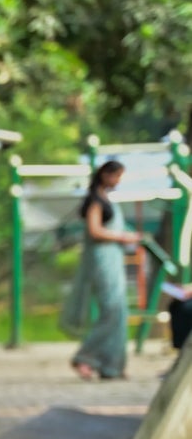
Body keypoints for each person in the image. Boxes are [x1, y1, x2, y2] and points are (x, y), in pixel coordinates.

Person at [63, 158, 139, 380]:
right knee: (111, 309)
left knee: (119, 310)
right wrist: (122, 236)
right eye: (116, 176)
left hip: (114, 257)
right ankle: (86, 356)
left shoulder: (107, 199)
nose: (117, 181)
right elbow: (95, 230)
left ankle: (111, 364)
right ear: (105, 175)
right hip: (102, 259)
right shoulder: (96, 201)